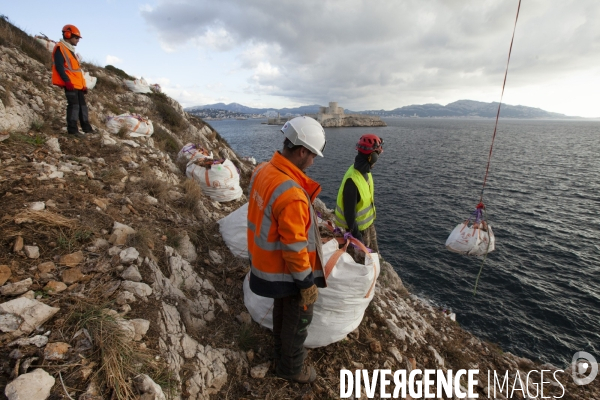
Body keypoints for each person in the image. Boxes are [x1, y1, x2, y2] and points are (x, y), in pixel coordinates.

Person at [247, 116, 327, 384]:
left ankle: (280, 352)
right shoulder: (291, 193)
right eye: (312, 155)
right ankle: (291, 368)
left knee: (283, 310)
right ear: (302, 150)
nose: (313, 162)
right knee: (299, 316)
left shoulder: (263, 171)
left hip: (265, 264)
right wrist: (306, 283)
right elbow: (295, 247)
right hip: (285, 270)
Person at [334, 133, 383, 253]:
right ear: (372, 157)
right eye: (377, 154)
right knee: (362, 262)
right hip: (356, 230)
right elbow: (349, 215)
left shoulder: (365, 173)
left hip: (367, 226)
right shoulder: (352, 180)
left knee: (374, 256)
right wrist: (357, 237)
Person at [51, 24, 94, 136]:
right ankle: (72, 130)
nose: (78, 41)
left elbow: (77, 71)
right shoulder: (60, 48)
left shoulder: (71, 51)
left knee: (82, 107)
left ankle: (87, 128)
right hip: (70, 84)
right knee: (74, 106)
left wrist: (83, 85)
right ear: (68, 35)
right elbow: (59, 67)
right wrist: (67, 81)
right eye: (76, 38)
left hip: (78, 85)